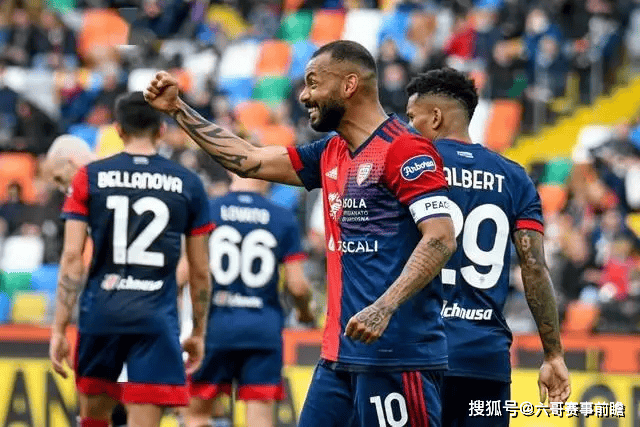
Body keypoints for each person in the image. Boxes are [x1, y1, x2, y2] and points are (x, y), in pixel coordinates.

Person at [144, 40, 457, 427]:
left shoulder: (404, 150)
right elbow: (249, 160)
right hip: (338, 357)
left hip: (397, 356)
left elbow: (441, 237)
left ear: (349, 85)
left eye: (313, 83)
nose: (304, 95)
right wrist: (178, 108)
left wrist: (383, 307)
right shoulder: (330, 152)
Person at [405, 68, 571, 426]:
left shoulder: (412, 169)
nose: (407, 127)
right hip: (486, 358)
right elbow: (534, 267)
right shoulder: (514, 177)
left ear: (435, 117)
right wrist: (553, 354)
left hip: (420, 354)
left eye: (412, 117)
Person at [48, 92, 213, 427]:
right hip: (156, 318)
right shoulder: (189, 183)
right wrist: (198, 330)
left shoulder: (88, 177)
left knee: (93, 420)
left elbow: (72, 258)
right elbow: (199, 270)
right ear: (161, 130)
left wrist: (60, 328)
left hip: (102, 313)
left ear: (118, 130)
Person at [184, 170, 315, 427]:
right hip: (262, 330)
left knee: (197, 416)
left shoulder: (209, 209)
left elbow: (185, 272)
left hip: (215, 329)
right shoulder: (282, 216)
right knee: (260, 419)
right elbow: (298, 286)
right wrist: (304, 312)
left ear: (229, 170)